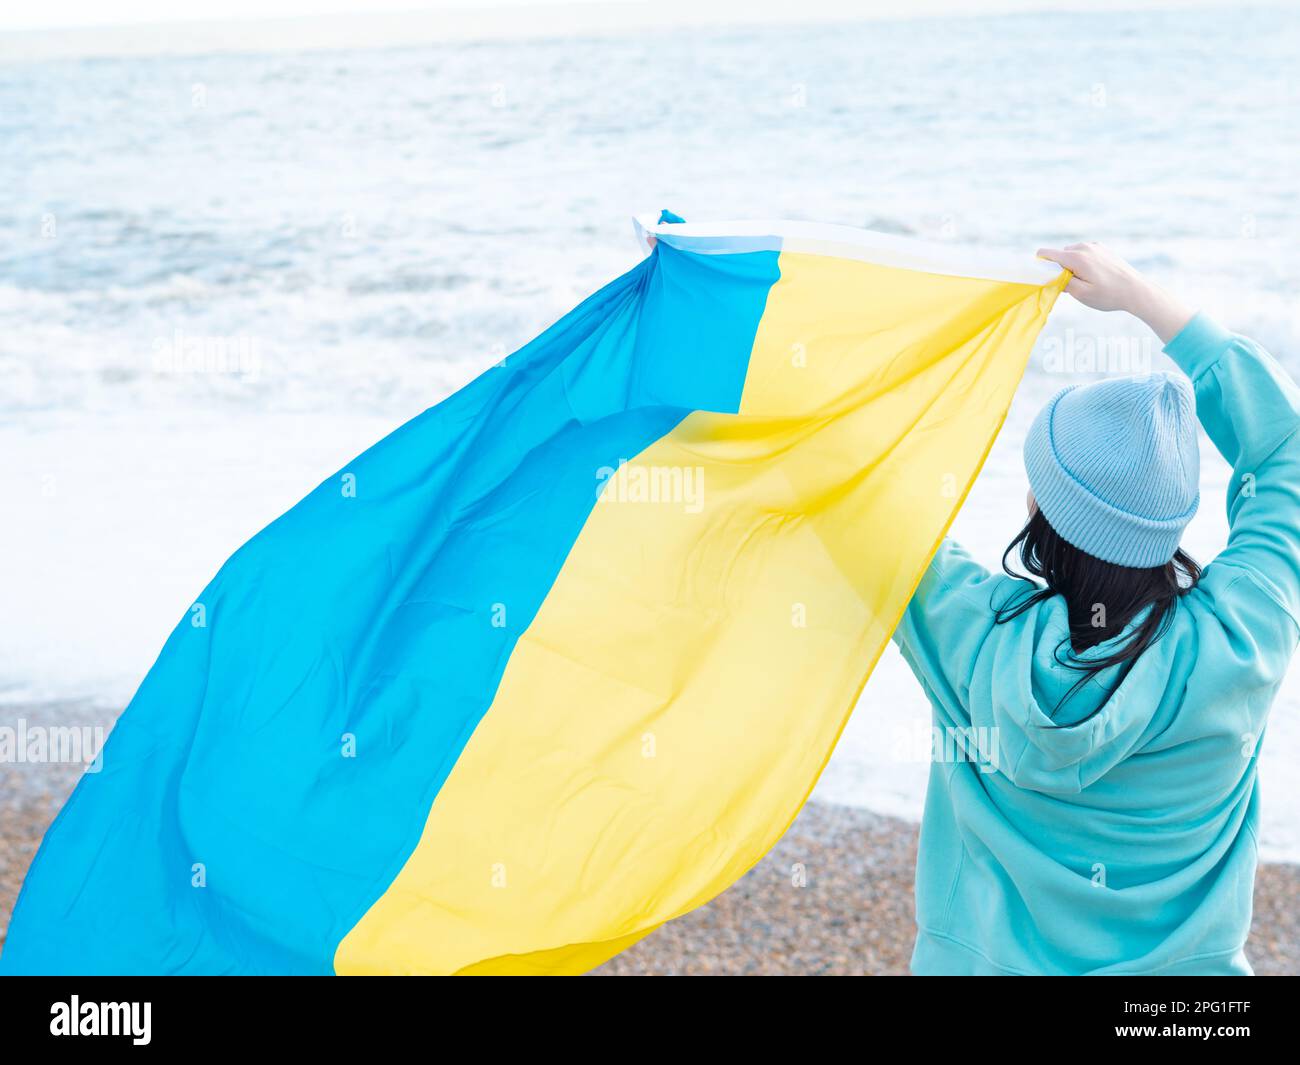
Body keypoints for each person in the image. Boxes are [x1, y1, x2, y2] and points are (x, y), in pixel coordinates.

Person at [894, 242, 1300, 975]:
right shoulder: (1242, 639)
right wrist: (1145, 299)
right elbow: (1288, 450)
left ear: (1040, 512)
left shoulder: (971, 632)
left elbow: (865, 482)